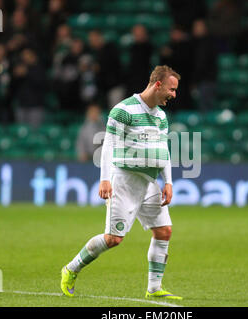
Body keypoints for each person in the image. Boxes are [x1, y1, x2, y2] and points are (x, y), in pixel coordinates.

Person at [61, 65, 183, 300]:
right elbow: (108, 146)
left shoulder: (161, 116)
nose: (174, 94)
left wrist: (168, 182)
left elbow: (163, 150)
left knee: (164, 231)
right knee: (113, 239)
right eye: (172, 89)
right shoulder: (123, 110)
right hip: (124, 182)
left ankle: (154, 288)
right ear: (158, 85)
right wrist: (105, 178)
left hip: (149, 183)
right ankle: (71, 269)